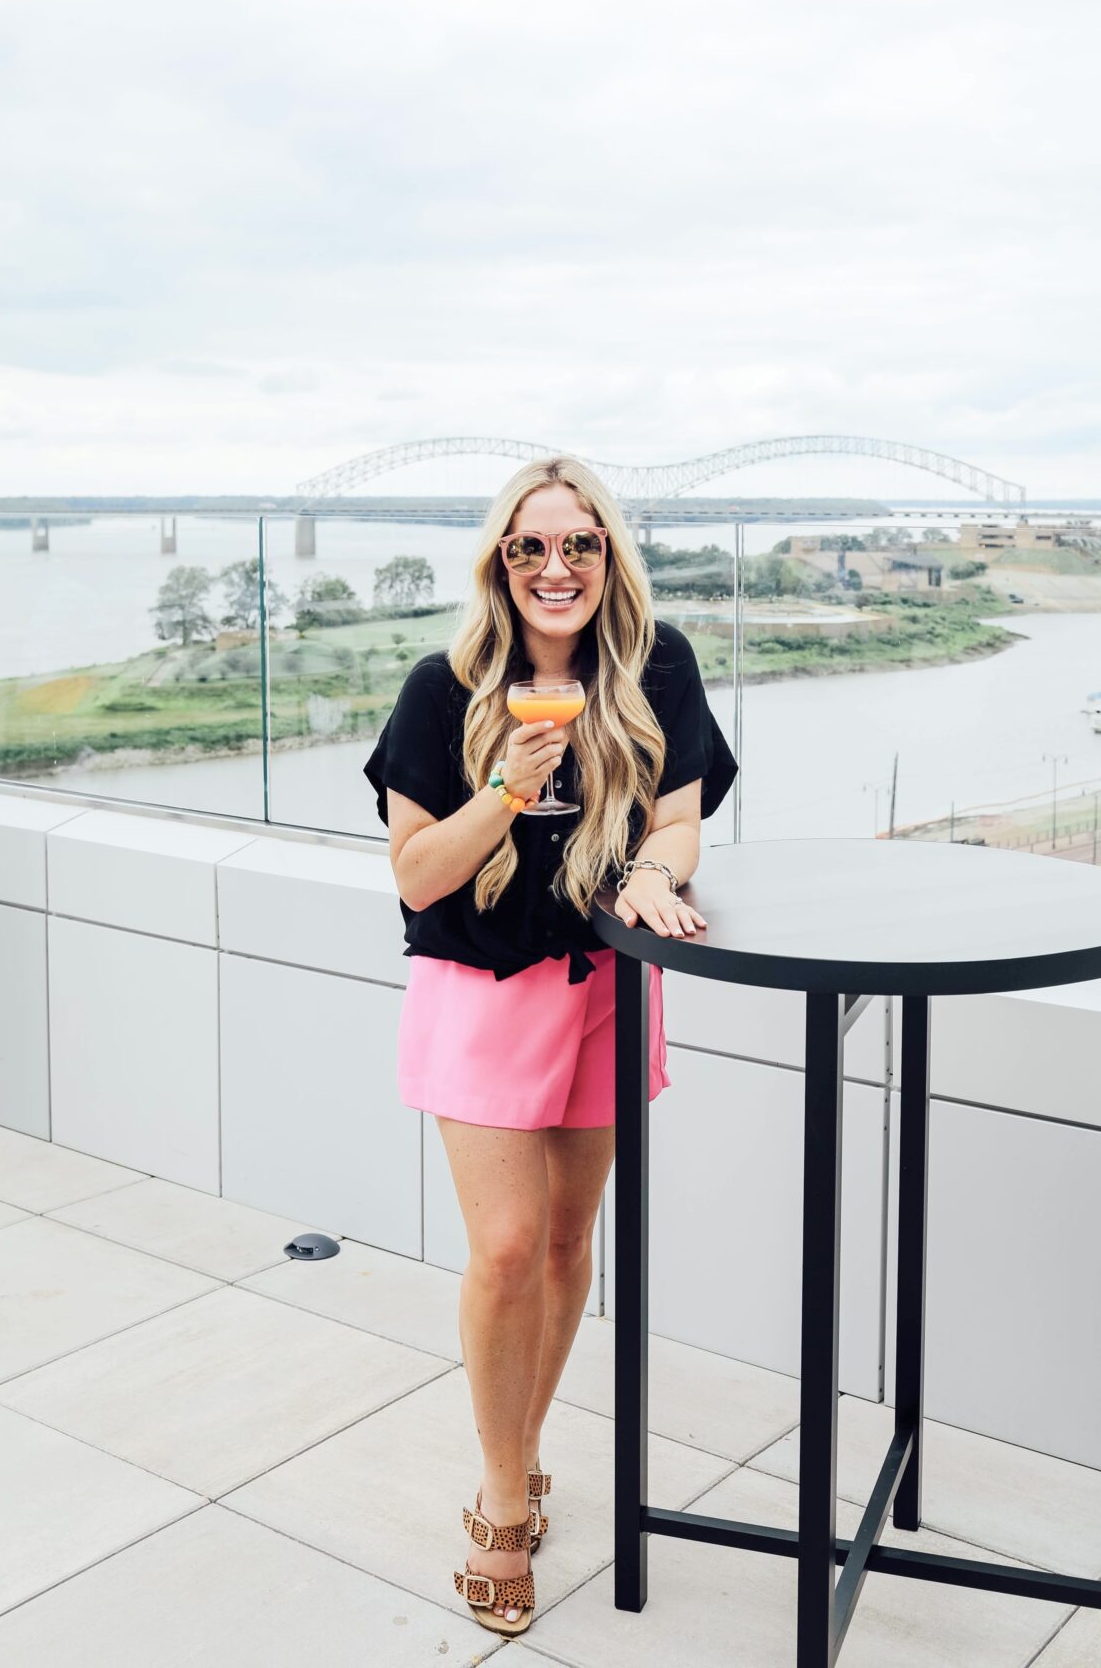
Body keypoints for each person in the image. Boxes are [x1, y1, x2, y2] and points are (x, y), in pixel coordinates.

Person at [363, 454, 737, 1637]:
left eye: (580, 543)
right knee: (509, 1248)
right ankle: (500, 1494)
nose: (556, 566)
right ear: (500, 565)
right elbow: (418, 874)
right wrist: (508, 791)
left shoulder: (655, 667)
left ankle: (521, 1456)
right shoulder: (446, 687)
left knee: (573, 1239)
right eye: (531, 546)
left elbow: (678, 816)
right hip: (482, 987)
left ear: (608, 557)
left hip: (605, 981)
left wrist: (647, 871)